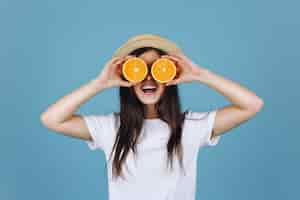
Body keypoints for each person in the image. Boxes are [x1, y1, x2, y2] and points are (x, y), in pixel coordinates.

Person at [40, 34, 264, 200]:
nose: (148, 78)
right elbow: (52, 119)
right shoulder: (111, 128)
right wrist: (99, 84)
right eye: (139, 69)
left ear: (170, 77)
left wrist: (201, 75)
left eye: (157, 69)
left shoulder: (190, 128)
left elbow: (252, 105)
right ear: (128, 78)